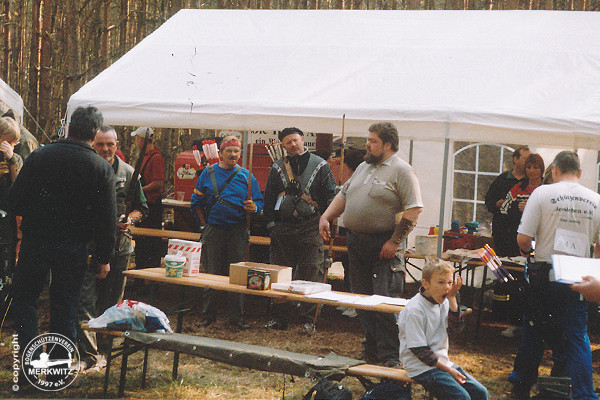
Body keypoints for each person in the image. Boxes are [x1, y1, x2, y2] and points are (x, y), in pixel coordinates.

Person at [9, 106, 117, 361]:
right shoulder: (100, 168)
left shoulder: (40, 156)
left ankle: (28, 365)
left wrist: (37, 214)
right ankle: (58, 367)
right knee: (65, 306)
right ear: (94, 135)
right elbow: (107, 220)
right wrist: (103, 257)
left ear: (69, 128)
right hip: (73, 245)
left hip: (36, 240)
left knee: (25, 301)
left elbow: (15, 200)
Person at [319, 122, 423, 367]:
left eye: (373, 140)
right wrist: (326, 216)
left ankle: (390, 356)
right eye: (368, 139)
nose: (367, 144)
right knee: (362, 301)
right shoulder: (364, 167)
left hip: (384, 245)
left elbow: (414, 209)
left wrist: (394, 241)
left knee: (384, 301)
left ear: (388, 144)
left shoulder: (402, 171)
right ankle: (372, 351)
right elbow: (343, 195)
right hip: (357, 244)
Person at [504, 151, 600, 400]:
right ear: (579, 173)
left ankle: (521, 387)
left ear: (554, 170)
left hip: (545, 271)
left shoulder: (542, 194)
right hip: (580, 276)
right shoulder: (596, 199)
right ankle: (584, 394)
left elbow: (523, 239)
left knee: (534, 330)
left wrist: (532, 250)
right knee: (577, 336)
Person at [76, 126, 148, 371]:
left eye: (110, 144)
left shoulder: (129, 174)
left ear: (117, 145)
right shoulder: (83, 171)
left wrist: (131, 220)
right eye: (100, 144)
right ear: (92, 144)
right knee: (84, 302)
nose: (105, 149)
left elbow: (141, 208)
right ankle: (88, 354)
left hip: (119, 249)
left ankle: (104, 352)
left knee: (111, 304)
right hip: (87, 246)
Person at [263, 127, 336, 330]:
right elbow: (269, 197)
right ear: (283, 145)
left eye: (295, 140)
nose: (293, 144)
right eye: (288, 142)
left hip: (311, 226)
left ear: (303, 140)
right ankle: (279, 317)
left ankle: (308, 319)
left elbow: (331, 194)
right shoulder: (277, 167)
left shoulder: (320, 166)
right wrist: (271, 225)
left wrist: (327, 219)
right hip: (283, 228)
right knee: (280, 273)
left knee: (311, 270)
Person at [191, 136, 263, 331]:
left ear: (240, 155)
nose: (233, 154)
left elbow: (259, 202)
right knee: (211, 273)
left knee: (238, 275)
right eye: (229, 150)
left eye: (236, 151)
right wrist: (204, 226)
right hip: (214, 230)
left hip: (237, 230)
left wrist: (254, 207)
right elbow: (196, 203)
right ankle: (208, 316)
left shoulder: (247, 176)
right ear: (220, 153)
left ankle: (236, 318)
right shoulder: (207, 173)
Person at [398, 258, 489, 400]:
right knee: (461, 397)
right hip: (421, 367)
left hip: (442, 363)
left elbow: (456, 328)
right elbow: (420, 351)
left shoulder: (444, 301)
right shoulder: (415, 310)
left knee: (480, 393)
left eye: (450, 282)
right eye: (440, 282)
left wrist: (452, 299)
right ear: (426, 284)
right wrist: (449, 370)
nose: (447, 287)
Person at [496, 153, 544, 338]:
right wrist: (517, 209)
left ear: (542, 169)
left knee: (535, 286)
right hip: (518, 242)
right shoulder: (517, 188)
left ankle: (534, 327)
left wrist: (531, 207)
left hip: (540, 243)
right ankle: (515, 323)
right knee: (516, 284)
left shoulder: (545, 190)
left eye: (535, 167)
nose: (532, 171)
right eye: (529, 167)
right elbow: (504, 211)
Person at [484, 146, 531, 257]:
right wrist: (496, 204)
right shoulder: (502, 179)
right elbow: (488, 200)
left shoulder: (531, 181)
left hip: (522, 233)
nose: (528, 163)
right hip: (502, 233)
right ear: (516, 159)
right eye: (526, 159)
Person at [131, 126, 165, 270]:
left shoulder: (156, 158)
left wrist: (139, 190)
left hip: (152, 207)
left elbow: (158, 183)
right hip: (143, 206)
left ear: (142, 139)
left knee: (150, 245)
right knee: (141, 243)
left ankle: (148, 281)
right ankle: (140, 278)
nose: (136, 142)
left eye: (137, 138)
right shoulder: (144, 157)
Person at [0, 116, 22, 322]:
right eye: (7, 141)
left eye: (14, 143)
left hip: (7, 231)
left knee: (5, 279)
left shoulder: (15, 160)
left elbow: (20, 189)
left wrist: (11, 159)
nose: (11, 146)